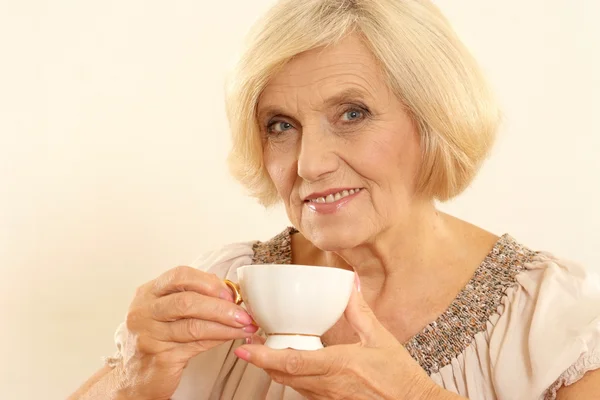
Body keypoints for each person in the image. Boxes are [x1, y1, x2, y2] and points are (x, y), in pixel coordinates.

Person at [69, 0, 600, 399]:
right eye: (281, 125)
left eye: (352, 114)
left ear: (433, 119)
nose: (308, 163)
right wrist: (133, 383)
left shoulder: (553, 323)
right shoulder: (225, 290)